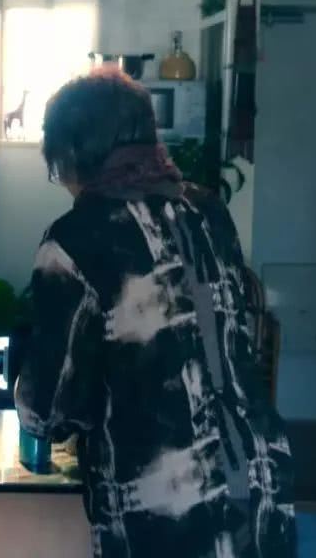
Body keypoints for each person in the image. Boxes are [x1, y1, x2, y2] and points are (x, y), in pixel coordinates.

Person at [15, 67, 297, 558]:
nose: (65, 184)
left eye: (59, 169)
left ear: (77, 154)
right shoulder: (209, 212)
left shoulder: (75, 240)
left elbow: (47, 411)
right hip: (262, 485)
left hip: (166, 510)